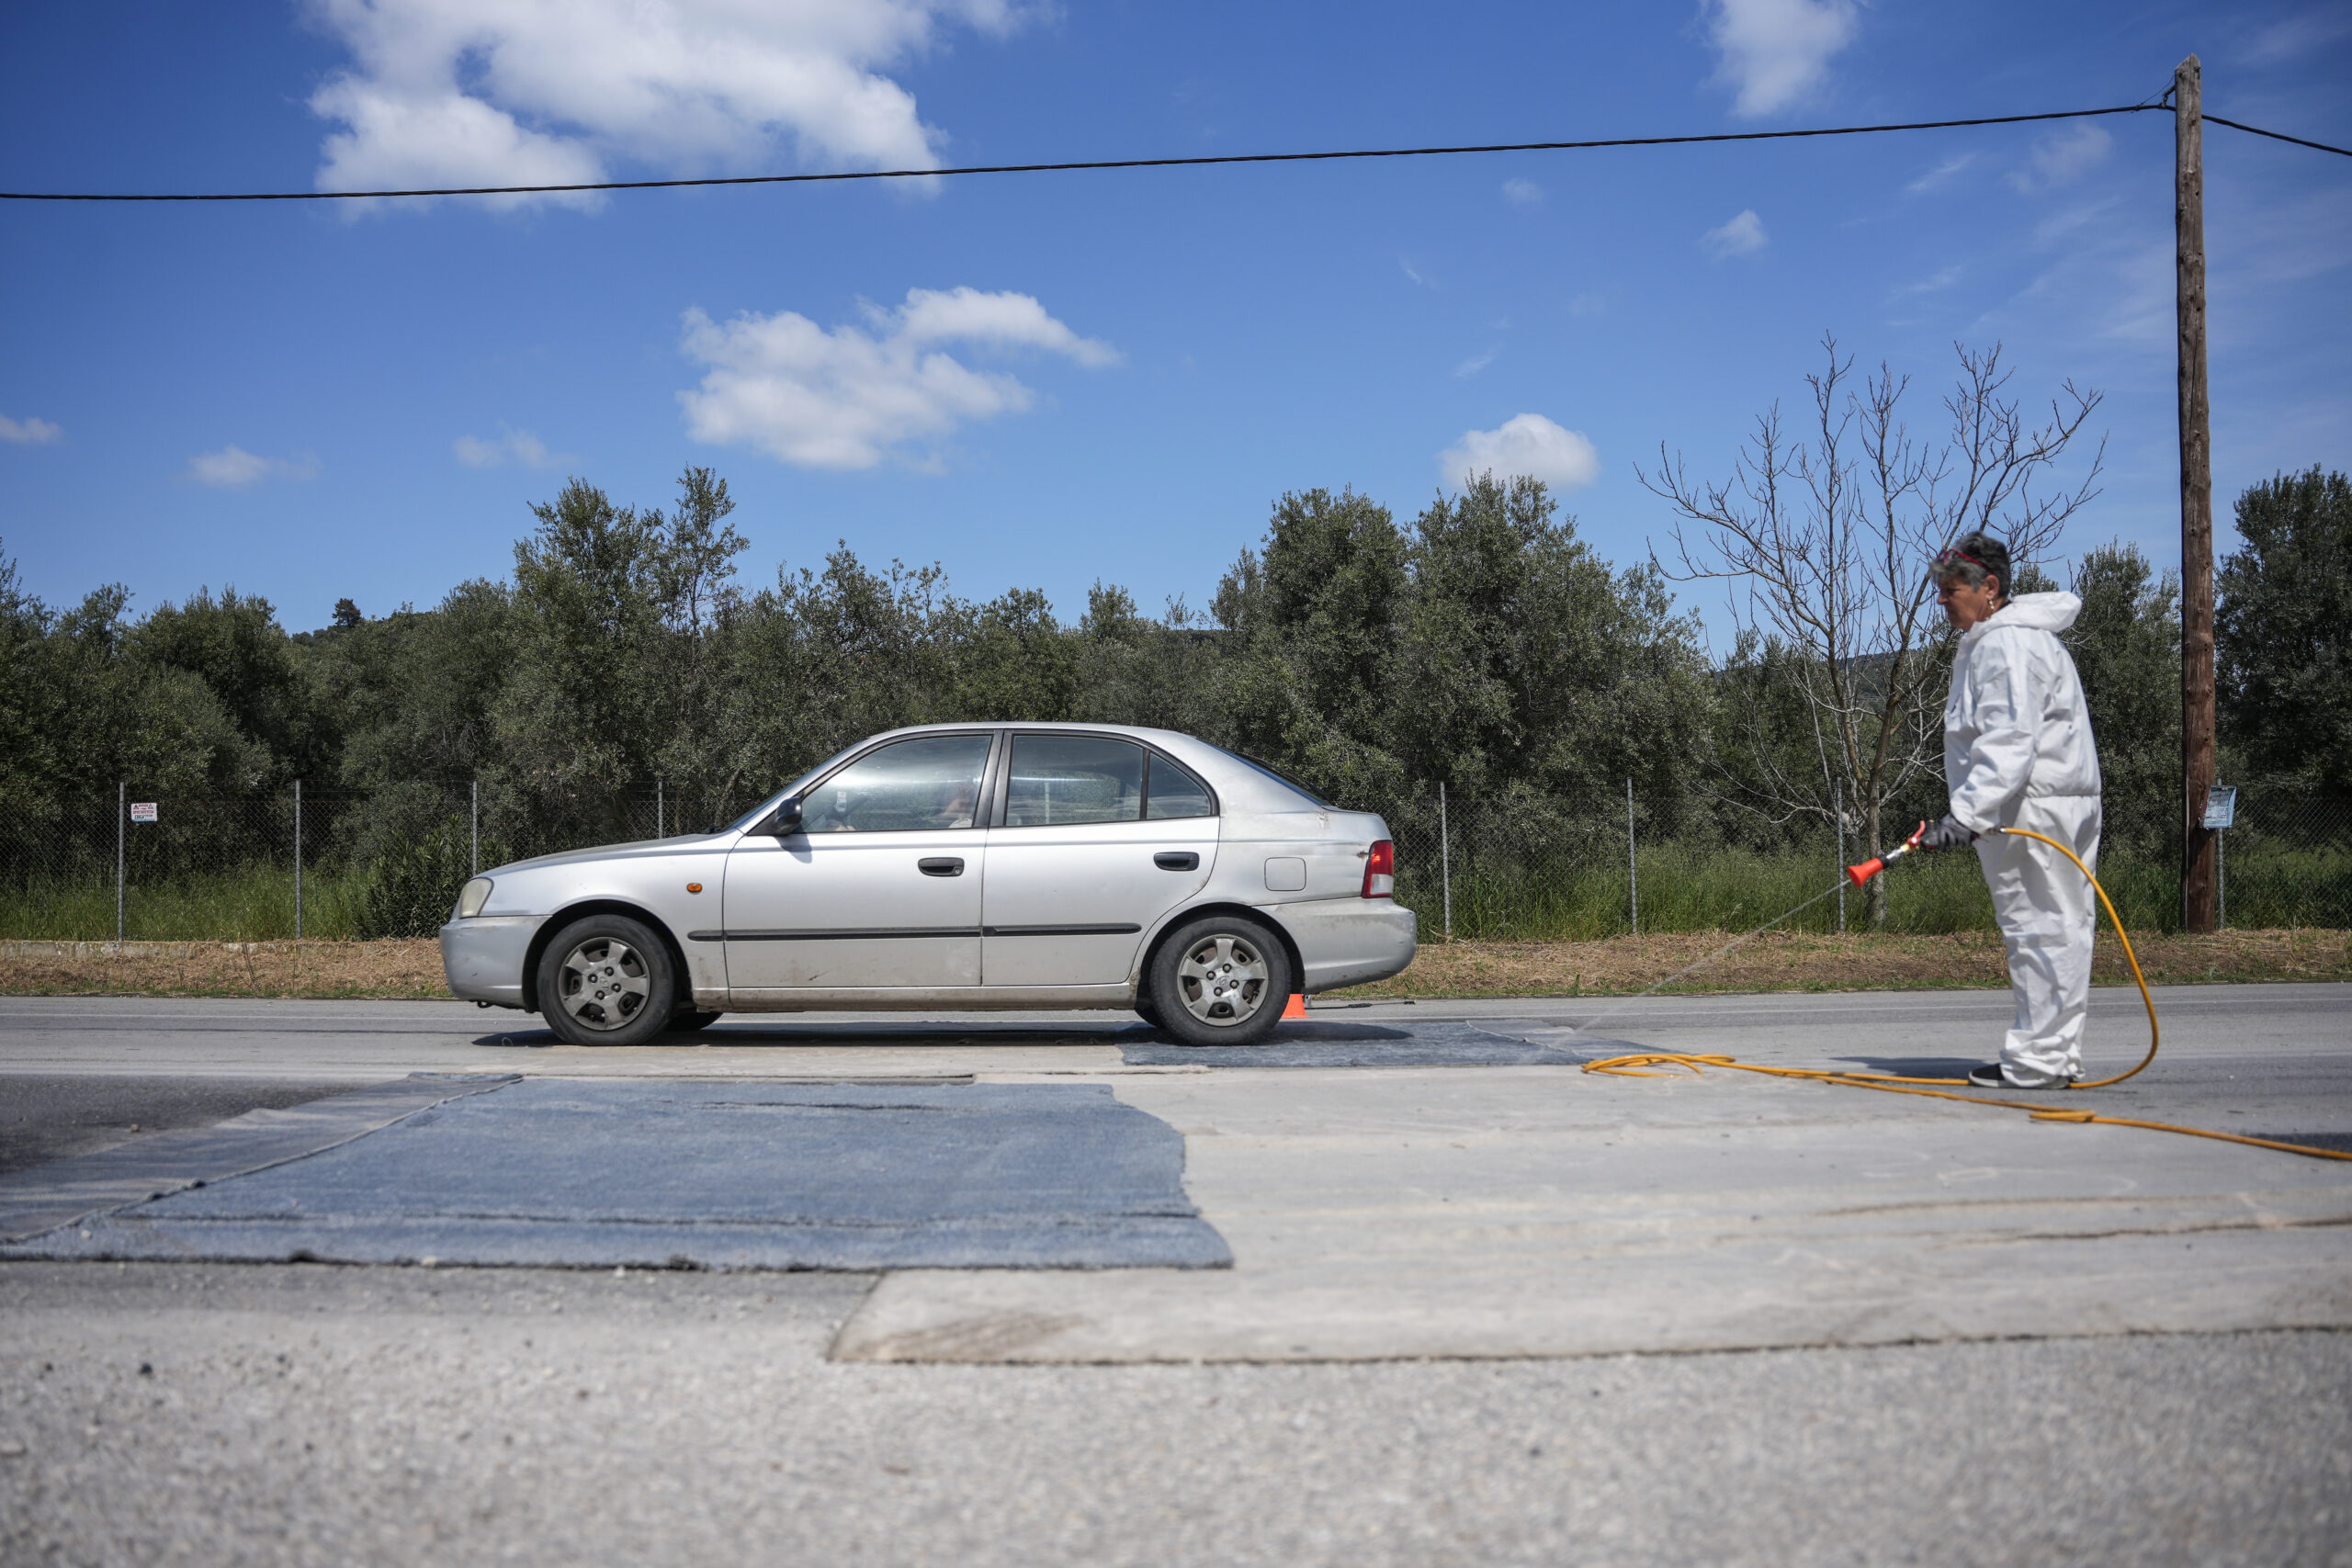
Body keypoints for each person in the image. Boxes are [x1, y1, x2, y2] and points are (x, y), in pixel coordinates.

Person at [1914, 531, 2103, 1089]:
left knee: (2039, 931)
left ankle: (2040, 1062)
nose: (1942, 602)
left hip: (2032, 813)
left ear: (1988, 587)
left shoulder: (2006, 645)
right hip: (2044, 807)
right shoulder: (2016, 639)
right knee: (2059, 929)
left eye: (1950, 591)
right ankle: (2051, 1055)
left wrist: (1964, 816)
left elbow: (2008, 741)